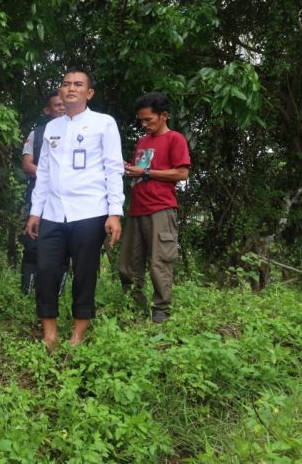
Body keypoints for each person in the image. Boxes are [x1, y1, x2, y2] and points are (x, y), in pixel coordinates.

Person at [25, 67, 124, 349]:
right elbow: (43, 171)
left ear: (88, 93)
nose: (70, 88)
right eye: (66, 83)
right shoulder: (51, 129)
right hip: (54, 213)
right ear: (60, 91)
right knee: (45, 270)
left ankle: (78, 335)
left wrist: (114, 212)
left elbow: (113, 169)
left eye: (78, 84)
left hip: (89, 211)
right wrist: (36, 211)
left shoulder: (104, 124)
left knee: (84, 272)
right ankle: (50, 333)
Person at [120, 92, 190, 323]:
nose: (144, 124)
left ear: (164, 116)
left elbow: (182, 172)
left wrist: (146, 172)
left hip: (161, 209)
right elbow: (140, 170)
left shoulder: (175, 139)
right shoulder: (142, 141)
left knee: (160, 263)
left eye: (148, 119)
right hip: (137, 208)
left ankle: (161, 313)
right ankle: (134, 309)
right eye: (141, 120)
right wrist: (128, 168)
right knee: (128, 264)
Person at [20, 91, 66, 296]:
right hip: (38, 195)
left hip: (67, 199)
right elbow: (28, 165)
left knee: (64, 246)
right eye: (57, 105)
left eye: (63, 105)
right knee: (33, 244)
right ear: (47, 110)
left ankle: (58, 293)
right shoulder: (36, 133)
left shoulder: (78, 131)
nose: (62, 108)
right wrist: (51, 176)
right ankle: (28, 292)